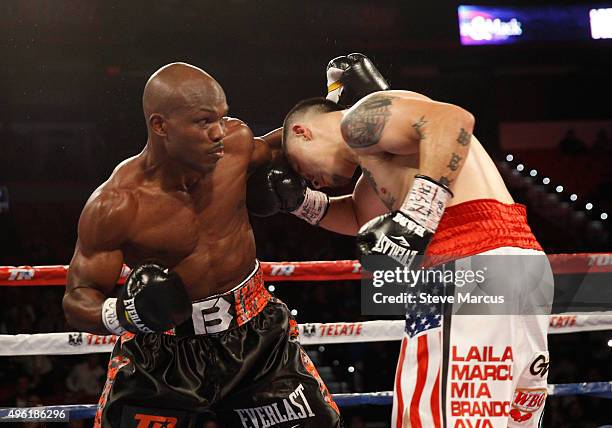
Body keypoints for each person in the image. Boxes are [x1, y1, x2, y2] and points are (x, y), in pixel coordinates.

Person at [260, 55, 553, 427]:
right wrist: (299, 203)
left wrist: (418, 215)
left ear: (303, 131)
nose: (311, 182)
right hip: (517, 260)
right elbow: (357, 215)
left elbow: (452, 119)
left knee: (436, 416)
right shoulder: (376, 167)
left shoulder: (358, 121)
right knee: (507, 414)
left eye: (301, 170)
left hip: (467, 261)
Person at [63, 63, 342, 427]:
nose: (218, 133)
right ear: (160, 125)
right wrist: (127, 314)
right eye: (203, 122)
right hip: (162, 357)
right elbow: (78, 297)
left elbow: (295, 141)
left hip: (257, 340)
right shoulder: (116, 205)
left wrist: (341, 102)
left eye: (222, 119)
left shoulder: (237, 145)